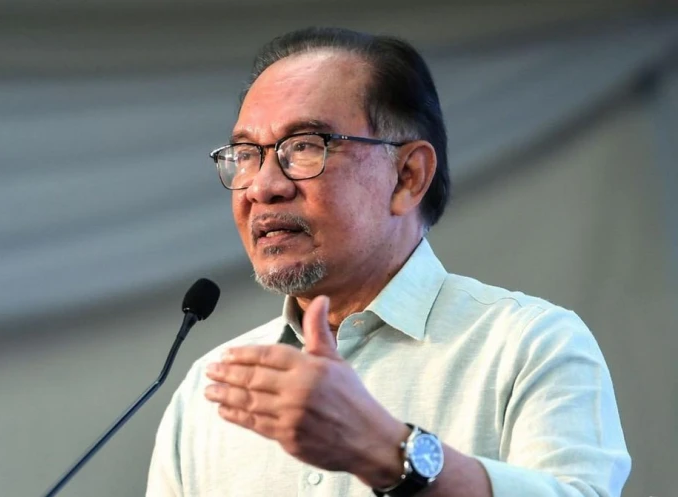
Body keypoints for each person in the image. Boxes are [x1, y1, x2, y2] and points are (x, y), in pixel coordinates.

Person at [146, 27, 630, 497]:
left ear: (408, 176)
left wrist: (386, 452)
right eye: (246, 154)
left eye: (305, 146)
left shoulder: (529, 347)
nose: (263, 186)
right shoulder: (211, 391)